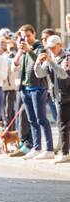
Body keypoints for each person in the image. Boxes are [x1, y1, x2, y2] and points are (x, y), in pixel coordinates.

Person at [13, 24, 54, 160]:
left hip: (38, 88)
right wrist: (21, 52)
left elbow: (39, 63)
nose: (25, 38)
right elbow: (17, 65)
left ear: (34, 34)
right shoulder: (24, 50)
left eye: (28, 35)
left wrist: (28, 50)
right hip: (26, 89)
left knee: (41, 119)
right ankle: (37, 148)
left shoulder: (40, 47)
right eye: (23, 36)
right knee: (31, 120)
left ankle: (49, 149)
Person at [35, 35, 70, 163]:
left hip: (66, 95)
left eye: (53, 47)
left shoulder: (66, 56)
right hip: (58, 96)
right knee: (63, 125)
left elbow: (63, 74)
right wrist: (37, 62)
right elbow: (39, 74)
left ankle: (65, 153)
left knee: (62, 125)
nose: (50, 50)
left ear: (59, 45)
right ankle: (65, 151)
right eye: (48, 48)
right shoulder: (51, 58)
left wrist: (51, 61)